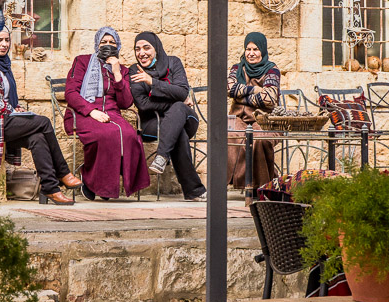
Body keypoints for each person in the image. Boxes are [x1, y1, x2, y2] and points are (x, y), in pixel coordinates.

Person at [0, 26, 81, 205]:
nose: (4, 44)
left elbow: (5, 97)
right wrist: (10, 109)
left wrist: (17, 108)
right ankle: (63, 173)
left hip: (3, 121)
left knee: (37, 138)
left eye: (7, 40)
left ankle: (50, 188)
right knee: (43, 122)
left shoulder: (2, 64)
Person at [64, 26, 150, 200]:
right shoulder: (82, 61)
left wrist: (117, 72)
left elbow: (126, 102)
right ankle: (89, 178)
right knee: (106, 134)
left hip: (113, 114)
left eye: (112, 43)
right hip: (83, 112)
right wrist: (91, 111)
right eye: (104, 42)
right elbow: (71, 93)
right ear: (97, 44)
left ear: (117, 46)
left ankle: (107, 186)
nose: (108, 46)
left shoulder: (123, 70)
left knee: (130, 136)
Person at [128, 32, 207, 202]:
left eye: (146, 47)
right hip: (152, 123)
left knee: (178, 110)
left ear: (156, 48)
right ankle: (194, 190)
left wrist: (152, 82)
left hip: (186, 120)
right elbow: (143, 104)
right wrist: (175, 100)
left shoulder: (173, 63)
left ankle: (162, 155)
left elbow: (182, 91)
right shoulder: (134, 70)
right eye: (137, 49)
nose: (141, 53)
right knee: (177, 128)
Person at [226, 31, 281, 192]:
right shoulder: (237, 68)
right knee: (230, 134)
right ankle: (244, 183)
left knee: (259, 139)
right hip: (235, 118)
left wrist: (241, 96)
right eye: (248, 49)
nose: (251, 53)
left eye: (255, 49)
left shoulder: (272, 70)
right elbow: (229, 89)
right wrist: (256, 89)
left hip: (264, 120)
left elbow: (270, 98)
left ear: (262, 50)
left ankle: (261, 186)